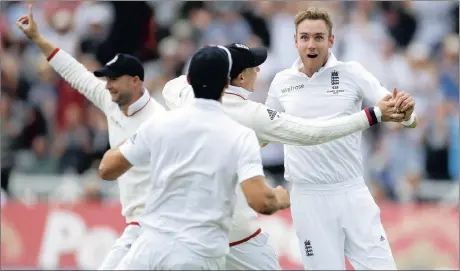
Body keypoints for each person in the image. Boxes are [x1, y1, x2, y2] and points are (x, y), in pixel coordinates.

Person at [162, 43, 405, 270]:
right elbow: (313, 134)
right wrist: (372, 115)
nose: (258, 69)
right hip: (234, 232)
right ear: (240, 77)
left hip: (185, 228)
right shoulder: (251, 114)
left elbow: (171, 86)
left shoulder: (182, 94)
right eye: (253, 67)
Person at [98, 45, 291, 270]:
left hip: (149, 249)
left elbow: (107, 169)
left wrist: (138, 142)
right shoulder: (240, 135)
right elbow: (262, 201)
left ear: (188, 79)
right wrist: (280, 198)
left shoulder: (159, 124)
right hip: (195, 255)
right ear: (228, 84)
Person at [265, 7, 417, 270]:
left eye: (319, 37)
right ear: (295, 41)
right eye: (305, 37)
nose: (311, 44)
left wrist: (408, 115)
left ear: (331, 41)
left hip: (351, 190)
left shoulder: (352, 73)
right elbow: (264, 131)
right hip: (307, 197)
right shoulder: (281, 82)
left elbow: (395, 109)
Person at [16, 5, 166, 270]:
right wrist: (38, 39)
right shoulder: (111, 100)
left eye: (113, 80)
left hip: (159, 227)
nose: (107, 86)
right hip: (138, 225)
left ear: (135, 81)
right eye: (105, 80)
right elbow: (75, 73)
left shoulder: (160, 120)